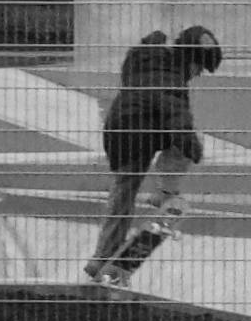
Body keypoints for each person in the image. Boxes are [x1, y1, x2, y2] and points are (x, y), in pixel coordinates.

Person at [87, 26, 223, 290]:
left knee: (123, 195)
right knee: (185, 144)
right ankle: (165, 192)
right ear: (190, 60)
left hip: (118, 129)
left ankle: (100, 257)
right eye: (198, 69)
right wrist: (193, 149)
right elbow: (178, 117)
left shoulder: (147, 59)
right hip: (140, 134)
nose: (196, 76)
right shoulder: (172, 79)